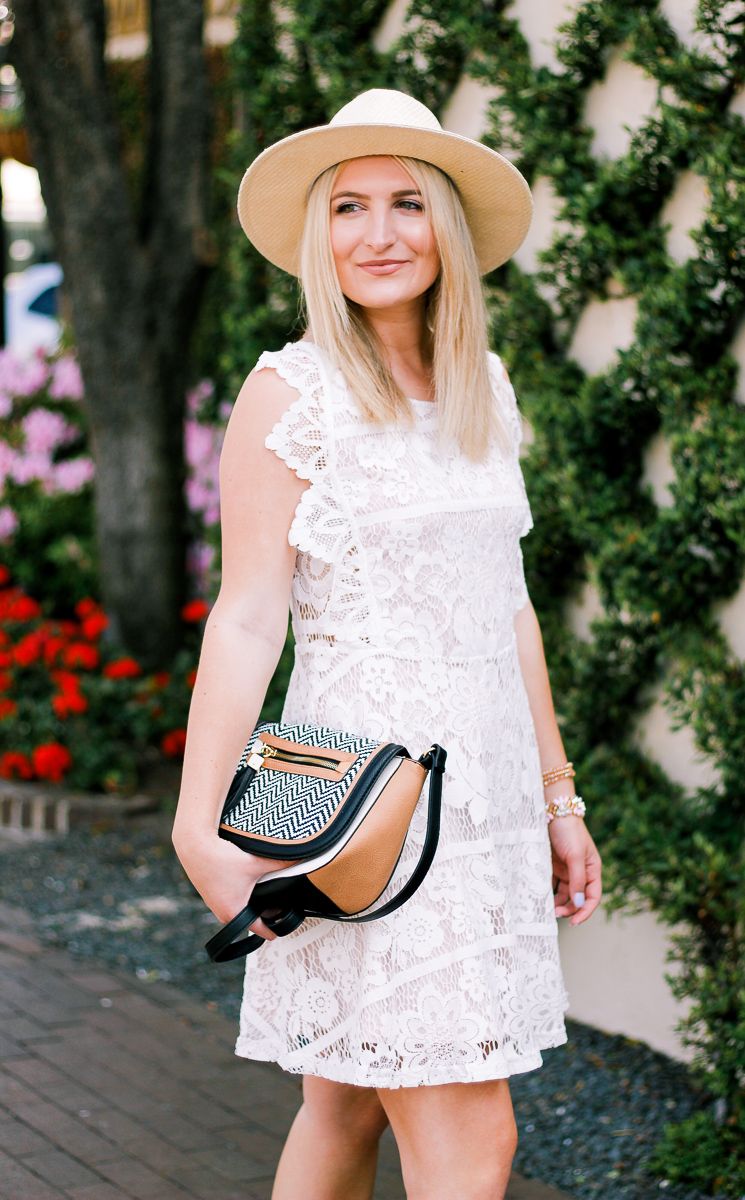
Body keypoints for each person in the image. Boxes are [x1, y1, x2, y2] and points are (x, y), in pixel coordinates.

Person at [172, 89, 602, 1200]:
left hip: (488, 794)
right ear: (316, 234)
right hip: (367, 808)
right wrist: (198, 817)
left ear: (446, 228)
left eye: (407, 203)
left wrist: (558, 803)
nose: (378, 233)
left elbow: (505, 606)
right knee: (470, 1144)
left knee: (343, 1106)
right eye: (348, 206)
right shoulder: (290, 394)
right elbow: (249, 614)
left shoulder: (482, 391)